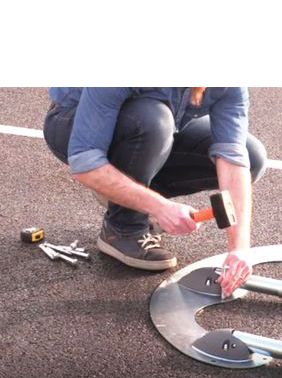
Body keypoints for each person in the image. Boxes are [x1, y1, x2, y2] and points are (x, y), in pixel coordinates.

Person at [43, 87, 267, 298]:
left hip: (162, 125)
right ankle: (123, 227)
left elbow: (233, 160)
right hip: (74, 122)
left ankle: (125, 190)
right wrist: (161, 208)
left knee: (252, 156)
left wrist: (239, 249)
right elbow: (85, 162)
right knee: (153, 120)